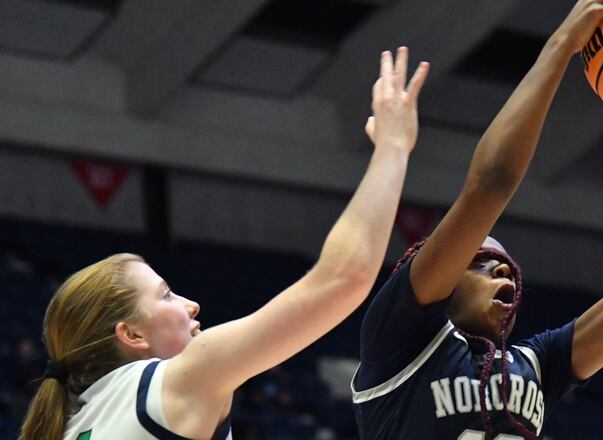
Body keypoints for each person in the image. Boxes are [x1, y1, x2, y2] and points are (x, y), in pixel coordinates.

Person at [351, 1, 603, 439]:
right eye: (478, 261)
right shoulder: (398, 339)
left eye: (505, 267)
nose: (502, 269)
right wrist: (562, 43)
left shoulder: (536, 365)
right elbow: (491, 185)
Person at [19, 48, 430, 440]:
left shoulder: (73, 425)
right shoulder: (177, 381)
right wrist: (393, 147)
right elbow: (343, 277)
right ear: (131, 334)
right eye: (166, 295)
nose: (190, 304)